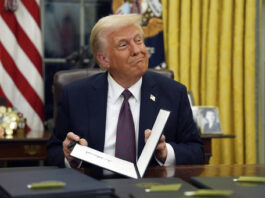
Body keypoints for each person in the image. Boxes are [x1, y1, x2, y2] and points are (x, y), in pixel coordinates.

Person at [46, 14, 204, 175]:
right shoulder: (75, 95)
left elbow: (196, 151)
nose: (137, 51)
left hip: (150, 189)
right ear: (104, 59)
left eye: (138, 41)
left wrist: (165, 153)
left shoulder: (173, 93)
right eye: (123, 45)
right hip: (96, 187)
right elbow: (53, 153)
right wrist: (71, 158)